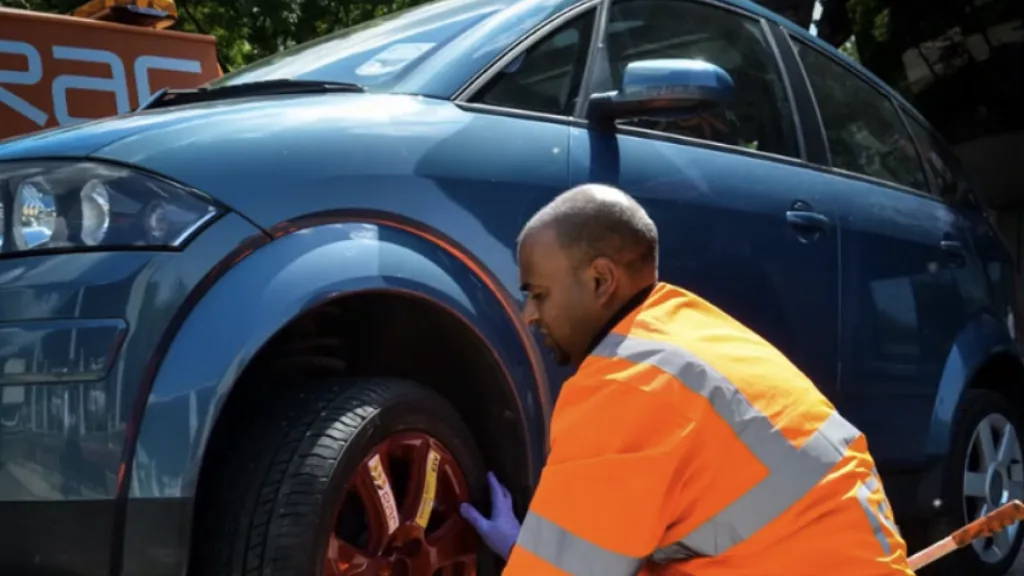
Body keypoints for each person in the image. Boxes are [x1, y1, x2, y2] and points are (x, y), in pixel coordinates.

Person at [459, 183, 914, 575]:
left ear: (601, 279)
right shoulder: (692, 333)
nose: (529, 314)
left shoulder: (625, 383)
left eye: (539, 293)